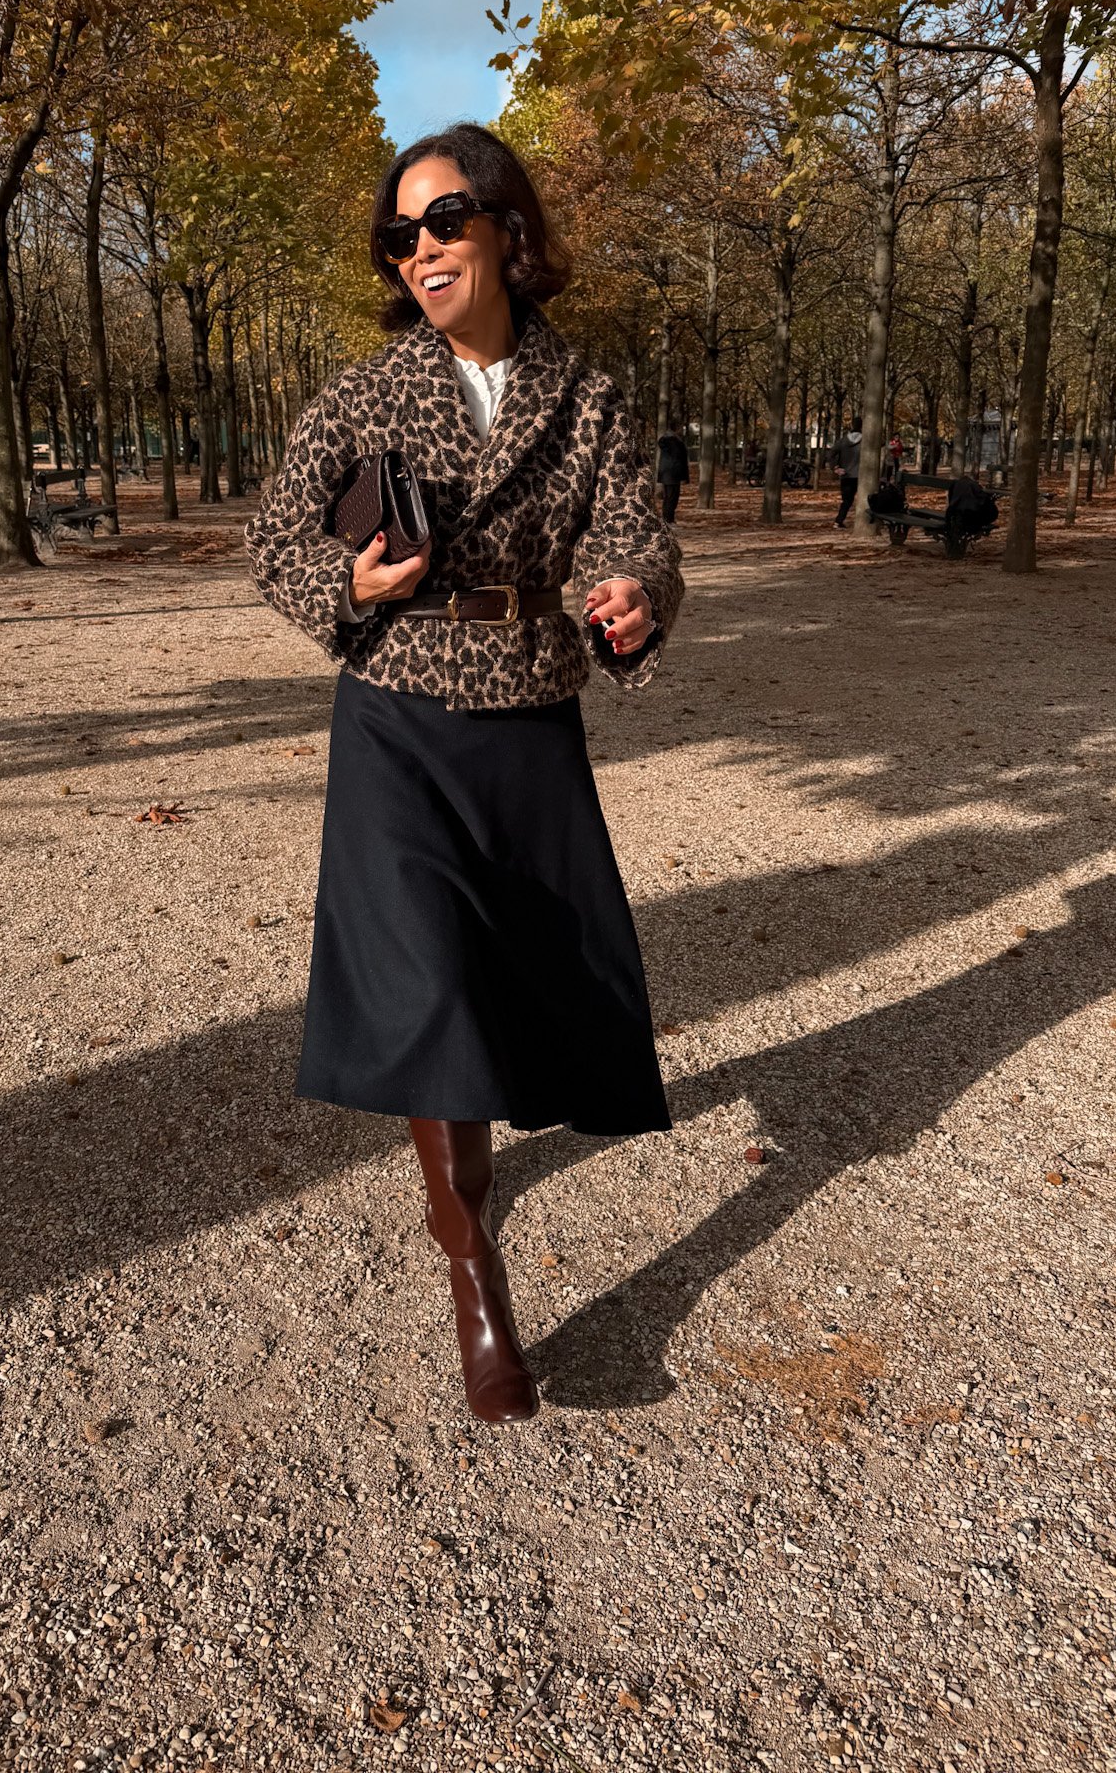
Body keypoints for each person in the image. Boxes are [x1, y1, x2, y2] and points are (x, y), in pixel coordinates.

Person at [244, 123, 684, 1425]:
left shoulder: (590, 399)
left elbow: (636, 535)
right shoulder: (367, 395)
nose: (421, 248)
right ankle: (475, 1273)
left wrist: (632, 597)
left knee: (523, 979)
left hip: (531, 716)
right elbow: (271, 539)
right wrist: (348, 581)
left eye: (444, 222)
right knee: (432, 982)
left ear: (505, 230)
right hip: (397, 711)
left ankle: (477, 1182)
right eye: (400, 234)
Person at [656, 419, 690, 523]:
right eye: (681, 428)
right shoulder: (674, 442)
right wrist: (684, 477)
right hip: (673, 474)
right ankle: (668, 520)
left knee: (669, 498)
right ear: (677, 429)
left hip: (668, 474)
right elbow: (679, 460)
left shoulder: (668, 440)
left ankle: (668, 519)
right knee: (672, 498)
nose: (682, 430)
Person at [831, 417, 863, 526]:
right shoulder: (866, 440)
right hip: (862, 476)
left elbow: (830, 454)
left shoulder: (843, 440)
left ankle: (839, 521)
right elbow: (882, 442)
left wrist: (835, 468)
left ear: (851, 426)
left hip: (846, 474)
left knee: (847, 501)